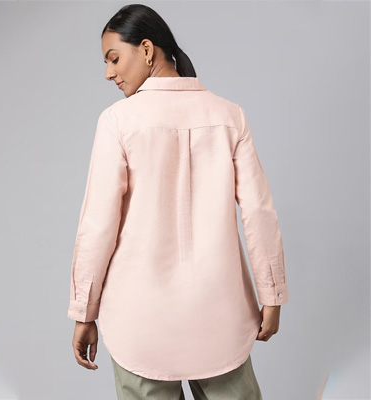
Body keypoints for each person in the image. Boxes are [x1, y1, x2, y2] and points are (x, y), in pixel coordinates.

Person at [67, 4, 289, 399]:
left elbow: (98, 225)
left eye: (114, 59)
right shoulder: (230, 116)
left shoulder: (117, 121)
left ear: (146, 49)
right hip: (219, 318)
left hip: (139, 322)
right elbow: (258, 212)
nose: (108, 73)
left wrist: (84, 311)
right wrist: (271, 296)